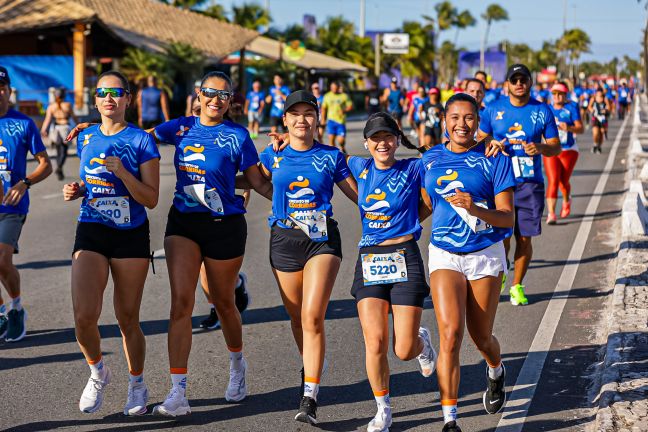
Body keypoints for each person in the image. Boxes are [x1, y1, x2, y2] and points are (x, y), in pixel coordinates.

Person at [150, 71, 272, 416]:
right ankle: (177, 392)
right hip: (184, 223)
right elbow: (137, 140)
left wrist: (293, 204)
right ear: (198, 95)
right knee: (180, 304)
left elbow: (258, 183)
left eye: (224, 95)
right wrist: (95, 131)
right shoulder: (180, 127)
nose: (216, 100)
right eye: (210, 93)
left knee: (222, 301)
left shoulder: (237, 136)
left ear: (231, 101)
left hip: (225, 226)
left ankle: (237, 364)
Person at [62, 70, 160, 415]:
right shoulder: (85, 137)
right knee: (83, 316)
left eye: (116, 93)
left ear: (128, 100)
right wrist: (77, 190)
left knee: (127, 318)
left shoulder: (141, 141)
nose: (109, 98)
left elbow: (151, 198)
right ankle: (98, 371)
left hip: (130, 233)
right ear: (95, 99)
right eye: (102, 92)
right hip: (92, 227)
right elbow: (91, 182)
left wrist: (124, 173)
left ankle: (137, 384)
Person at [258, 90, 358, 424]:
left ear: (318, 119)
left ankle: (309, 397)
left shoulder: (332, 156)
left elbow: (360, 195)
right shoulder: (272, 154)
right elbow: (251, 179)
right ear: (285, 120)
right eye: (295, 114)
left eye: (309, 113)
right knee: (297, 315)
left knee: (312, 316)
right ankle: (311, 363)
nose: (302, 119)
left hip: (321, 240)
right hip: (284, 239)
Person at [420, 93, 516, 432]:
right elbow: (425, 206)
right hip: (444, 253)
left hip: (485, 254)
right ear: (444, 121)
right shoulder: (429, 159)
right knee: (450, 334)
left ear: (479, 121)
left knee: (481, 336)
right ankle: (450, 419)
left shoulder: (495, 158)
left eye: (469, 118)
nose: (462, 124)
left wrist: (475, 208)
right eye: (455, 117)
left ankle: (495, 369)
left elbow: (507, 219)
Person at [348, 112, 437, 432]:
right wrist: (284, 143)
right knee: (375, 342)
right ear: (367, 144)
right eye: (376, 138)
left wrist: (409, 225)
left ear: (398, 140)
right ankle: (383, 409)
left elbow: (431, 198)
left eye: (388, 137)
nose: (382, 143)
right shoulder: (359, 167)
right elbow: (324, 154)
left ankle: (422, 344)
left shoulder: (413, 168)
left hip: (405, 257)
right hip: (370, 258)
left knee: (403, 349)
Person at [478, 64, 560, 306]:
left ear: (530, 83)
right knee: (502, 236)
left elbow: (556, 147)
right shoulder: (493, 110)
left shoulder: (542, 110)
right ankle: (501, 273)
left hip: (529, 184)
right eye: (514, 80)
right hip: (500, 182)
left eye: (523, 79)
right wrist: (493, 144)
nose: (519, 83)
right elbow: (479, 140)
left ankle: (517, 285)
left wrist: (541, 147)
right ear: (508, 84)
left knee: (524, 238)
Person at [185, 95, 252, 331]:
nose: (197, 113)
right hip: (191, 217)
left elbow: (244, 177)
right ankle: (215, 308)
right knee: (201, 268)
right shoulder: (184, 132)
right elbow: (143, 134)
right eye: (194, 109)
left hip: (223, 217)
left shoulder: (232, 135)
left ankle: (234, 285)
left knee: (215, 274)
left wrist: (243, 197)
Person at [0, 66, 53, 343]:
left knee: (1, 260)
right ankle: (2, 314)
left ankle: (16, 308)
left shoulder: (22, 124)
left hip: (11, 206)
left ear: (9, 92)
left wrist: (24, 183)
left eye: (2, 88)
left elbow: (46, 165)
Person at [545, 82, 584, 224]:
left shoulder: (571, 107)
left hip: (569, 149)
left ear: (565, 95)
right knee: (553, 180)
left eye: (560, 94)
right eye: (554, 94)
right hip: (551, 150)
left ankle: (567, 200)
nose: (557, 96)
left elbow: (581, 129)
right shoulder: (546, 109)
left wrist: (569, 127)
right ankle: (551, 214)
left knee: (563, 181)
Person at [40, 87, 78, 180]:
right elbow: (74, 117)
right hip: (65, 128)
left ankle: (59, 168)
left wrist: (43, 129)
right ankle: (60, 167)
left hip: (55, 129)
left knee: (58, 150)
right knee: (64, 150)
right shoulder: (68, 105)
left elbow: (47, 120)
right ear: (64, 95)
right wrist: (78, 126)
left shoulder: (51, 106)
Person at [321, 81, 353, 153]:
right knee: (331, 142)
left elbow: (350, 106)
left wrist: (344, 110)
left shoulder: (344, 96)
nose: (334, 89)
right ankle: (335, 156)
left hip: (340, 121)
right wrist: (323, 119)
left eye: (335, 88)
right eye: (332, 88)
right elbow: (323, 108)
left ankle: (342, 147)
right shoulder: (327, 96)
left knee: (341, 140)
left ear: (338, 88)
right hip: (331, 121)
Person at [588, 88, 612, 154]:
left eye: (601, 95)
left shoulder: (605, 99)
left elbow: (609, 107)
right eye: (598, 95)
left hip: (603, 118)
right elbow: (589, 106)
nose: (599, 97)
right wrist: (592, 110)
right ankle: (595, 144)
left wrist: (606, 110)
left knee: (602, 133)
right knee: (595, 133)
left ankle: (599, 147)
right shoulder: (593, 99)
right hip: (595, 118)